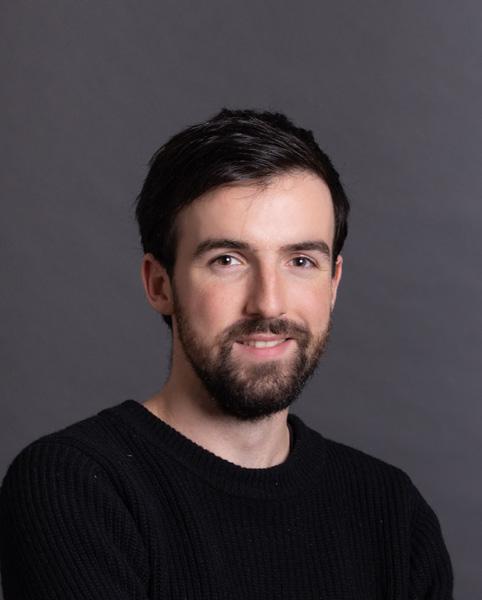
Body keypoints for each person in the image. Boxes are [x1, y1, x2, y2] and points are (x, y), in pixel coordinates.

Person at [0, 109, 454, 599]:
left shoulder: (394, 513)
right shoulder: (75, 487)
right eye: (228, 260)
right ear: (160, 285)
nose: (269, 303)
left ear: (333, 283)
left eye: (301, 261)